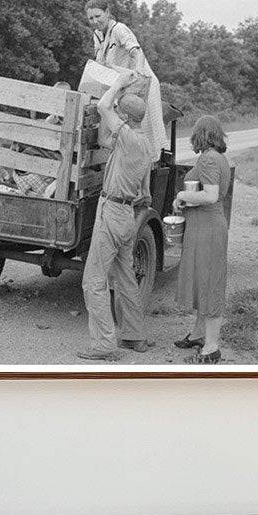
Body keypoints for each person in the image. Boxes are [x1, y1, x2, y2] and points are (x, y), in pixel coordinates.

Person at [76, 79, 153, 362]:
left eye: (120, 113)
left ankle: (104, 345)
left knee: (93, 281)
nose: (116, 115)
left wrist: (118, 84)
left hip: (112, 211)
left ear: (126, 118)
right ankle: (135, 336)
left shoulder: (129, 139)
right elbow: (103, 140)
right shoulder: (143, 144)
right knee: (126, 278)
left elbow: (103, 106)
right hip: (127, 215)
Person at [173, 115, 231, 364]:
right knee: (202, 281)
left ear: (200, 135)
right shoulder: (218, 158)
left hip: (208, 230)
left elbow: (210, 196)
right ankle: (198, 334)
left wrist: (182, 195)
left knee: (209, 285)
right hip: (206, 228)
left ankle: (211, 346)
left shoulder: (208, 159)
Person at [85, 0, 168, 159]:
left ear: (107, 13)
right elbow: (100, 62)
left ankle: (150, 163)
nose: (95, 21)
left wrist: (138, 73)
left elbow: (137, 52)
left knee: (144, 127)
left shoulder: (119, 29)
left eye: (98, 16)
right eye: (91, 18)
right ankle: (127, 160)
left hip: (142, 83)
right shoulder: (97, 34)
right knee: (124, 127)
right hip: (123, 85)